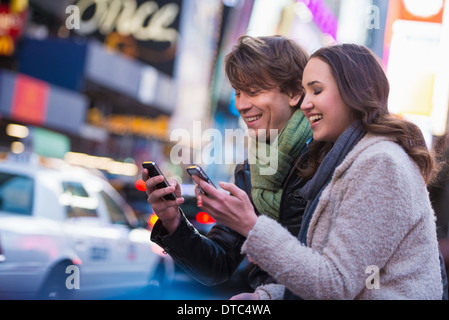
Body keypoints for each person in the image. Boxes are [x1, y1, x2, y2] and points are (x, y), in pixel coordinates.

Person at [194, 43, 447, 299]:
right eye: (305, 92)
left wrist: (252, 227)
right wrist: (266, 296)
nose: (305, 103)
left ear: (354, 91)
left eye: (316, 90)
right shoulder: (346, 159)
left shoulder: (380, 162)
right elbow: (336, 272)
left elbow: (334, 284)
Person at [143, 35, 312, 290]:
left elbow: (333, 276)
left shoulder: (327, 159)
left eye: (253, 92)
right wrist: (173, 221)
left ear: (294, 92)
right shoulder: (250, 170)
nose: (242, 105)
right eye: (237, 93)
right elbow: (218, 265)